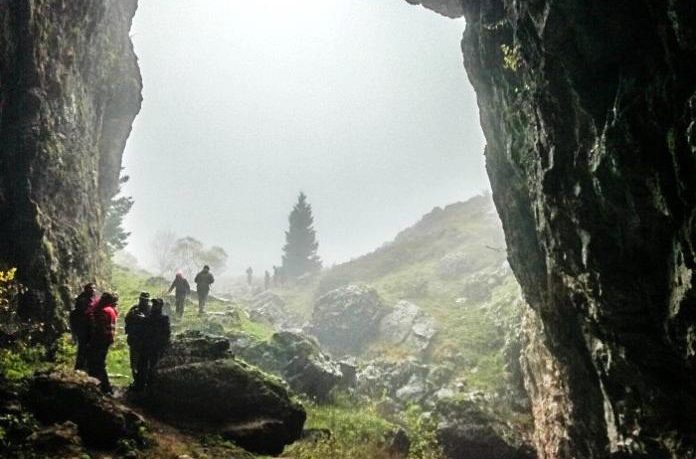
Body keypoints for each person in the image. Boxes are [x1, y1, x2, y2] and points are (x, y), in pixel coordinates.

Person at [87, 292, 118, 394]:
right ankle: (104, 386)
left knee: (97, 363)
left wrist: (92, 339)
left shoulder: (103, 311)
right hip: (106, 340)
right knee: (100, 362)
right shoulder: (111, 310)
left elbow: (100, 328)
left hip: (100, 340)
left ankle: (104, 387)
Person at [140, 298, 171, 391]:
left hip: (156, 347)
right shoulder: (148, 318)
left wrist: (163, 345)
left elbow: (166, 334)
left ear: (160, 306)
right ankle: (143, 386)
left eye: (156, 305)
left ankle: (151, 387)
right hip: (147, 346)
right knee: (143, 366)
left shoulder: (163, 319)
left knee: (154, 367)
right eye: (153, 305)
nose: (154, 307)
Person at [125, 292, 150, 390]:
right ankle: (136, 381)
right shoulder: (134, 309)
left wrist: (143, 319)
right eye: (142, 300)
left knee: (143, 364)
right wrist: (132, 315)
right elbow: (127, 320)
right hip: (134, 340)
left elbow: (152, 325)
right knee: (134, 363)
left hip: (145, 342)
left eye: (145, 300)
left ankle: (142, 383)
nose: (143, 302)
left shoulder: (150, 310)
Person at [69, 283, 96, 371]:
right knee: (83, 347)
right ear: (86, 290)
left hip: (88, 327)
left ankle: (85, 367)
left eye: (94, 288)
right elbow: (83, 314)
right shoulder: (83, 300)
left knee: (87, 347)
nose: (93, 290)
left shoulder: (91, 299)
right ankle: (80, 367)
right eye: (91, 288)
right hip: (83, 327)